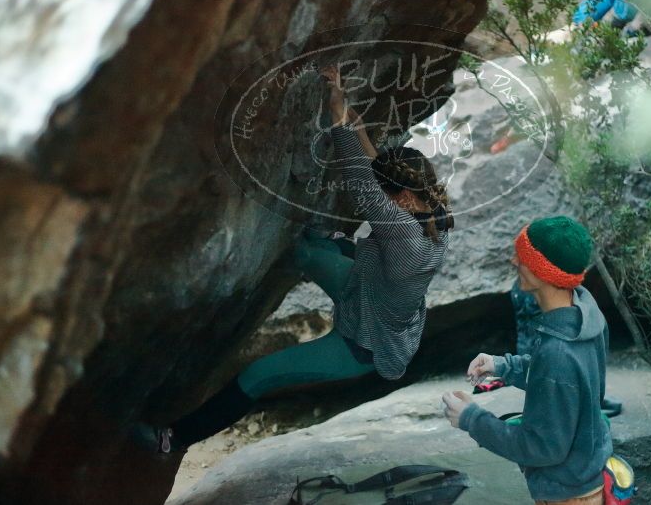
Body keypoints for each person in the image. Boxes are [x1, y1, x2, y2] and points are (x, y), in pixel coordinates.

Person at [138, 66, 453, 453]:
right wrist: (353, 120)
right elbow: (381, 178)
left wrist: (336, 112)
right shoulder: (430, 210)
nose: (385, 199)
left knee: (259, 374)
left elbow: (361, 181)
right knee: (305, 248)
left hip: (362, 344)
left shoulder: (405, 233)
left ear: (403, 200)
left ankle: (172, 439)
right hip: (366, 289)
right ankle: (328, 246)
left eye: (390, 196)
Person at [442, 216, 612, 505]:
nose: (513, 262)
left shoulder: (557, 353)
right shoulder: (584, 313)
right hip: (587, 476)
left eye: (521, 257)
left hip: (567, 495)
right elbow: (564, 384)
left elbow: (541, 447)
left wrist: (472, 419)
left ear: (543, 272)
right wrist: (502, 366)